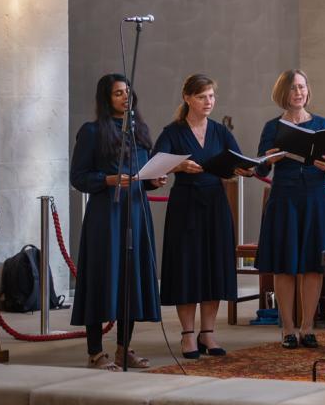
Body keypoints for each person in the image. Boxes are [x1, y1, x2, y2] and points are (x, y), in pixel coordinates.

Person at [153, 74, 255, 359]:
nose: (208, 101)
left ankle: (208, 332)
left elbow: (236, 158)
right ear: (187, 98)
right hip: (185, 204)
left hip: (215, 204)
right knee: (187, 267)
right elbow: (155, 164)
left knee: (214, 267)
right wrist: (179, 166)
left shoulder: (220, 132)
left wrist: (243, 169)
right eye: (202, 97)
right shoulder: (173, 132)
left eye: (211, 96)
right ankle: (187, 334)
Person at [70, 74, 166, 371]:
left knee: (131, 280)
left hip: (136, 213)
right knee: (102, 278)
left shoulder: (138, 131)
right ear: (105, 99)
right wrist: (108, 180)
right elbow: (79, 177)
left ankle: (124, 349)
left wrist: (153, 181)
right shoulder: (91, 132)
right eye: (117, 94)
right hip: (106, 216)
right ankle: (96, 352)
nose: (125, 97)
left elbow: (142, 172)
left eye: (127, 92)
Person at [255, 69, 325, 349]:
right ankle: (288, 329)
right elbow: (261, 164)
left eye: (302, 87)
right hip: (286, 197)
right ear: (283, 93)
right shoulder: (272, 127)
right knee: (285, 264)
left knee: (313, 265)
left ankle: (307, 327)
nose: (299, 92)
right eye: (293, 88)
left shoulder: (321, 122)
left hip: (316, 195)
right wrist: (269, 158)